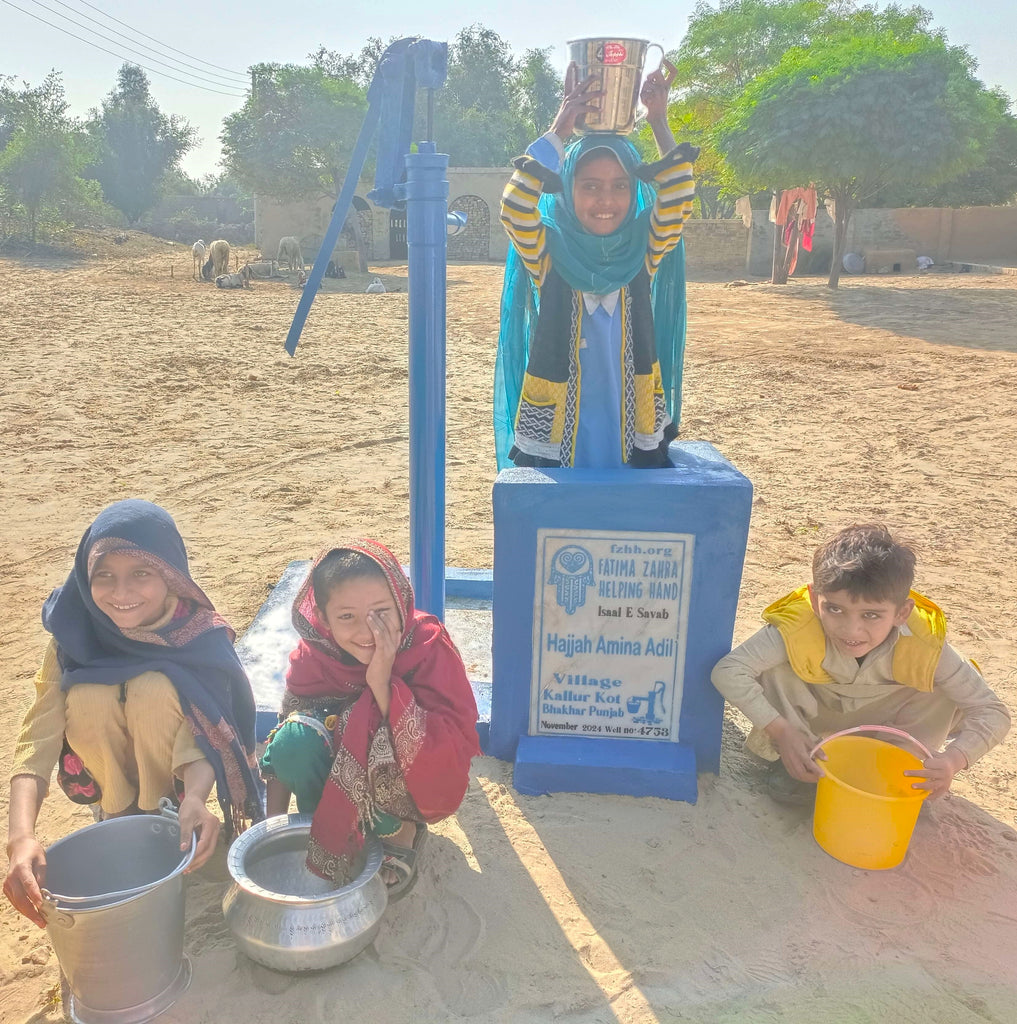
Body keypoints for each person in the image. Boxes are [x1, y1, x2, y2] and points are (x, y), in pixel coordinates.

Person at [4, 500, 265, 927]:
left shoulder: (197, 635)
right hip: (110, 782)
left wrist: (197, 797)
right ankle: (119, 817)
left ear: (171, 575)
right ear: (86, 577)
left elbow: (203, 733)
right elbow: (38, 735)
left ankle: (166, 816)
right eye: (104, 576)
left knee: (154, 687)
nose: (121, 594)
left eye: (141, 574)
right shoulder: (76, 630)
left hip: (179, 786)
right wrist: (20, 839)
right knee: (87, 693)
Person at [711, 523, 1011, 804]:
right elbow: (728, 671)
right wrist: (781, 732)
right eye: (835, 609)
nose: (851, 630)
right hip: (815, 721)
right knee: (775, 668)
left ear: (902, 613)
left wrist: (952, 760)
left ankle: (898, 773)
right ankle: (802, 765)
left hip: (887, 727)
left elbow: (992, 712)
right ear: (816, 601)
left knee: (941, 689)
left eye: (871, 615)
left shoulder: (924, 643)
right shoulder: (797, 626)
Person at [494, 64, 698, 470]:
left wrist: (658, 120)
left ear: (633, 189)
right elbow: (515, 208)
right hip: (558, 426)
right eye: (590, 185)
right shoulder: (549, 252)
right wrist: (559, 130)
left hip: (632, 421)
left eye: (620, 185)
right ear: (567, 188)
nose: (606, 200)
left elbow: (677, 198)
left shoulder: (644, 248)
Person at [259, 539, 480, 898]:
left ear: (401, 602)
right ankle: (329, 828)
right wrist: (272, 830)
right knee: (296, 740)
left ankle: (400, 833)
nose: (367, 632)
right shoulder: (314, 655)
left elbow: (451, 739)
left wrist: (382, 683)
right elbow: (281, 743)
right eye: (347, 616)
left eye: (382, 612)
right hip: (333, 778)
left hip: (400, 780)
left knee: (376, 732)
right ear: (324, 619)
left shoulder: (426, 646)